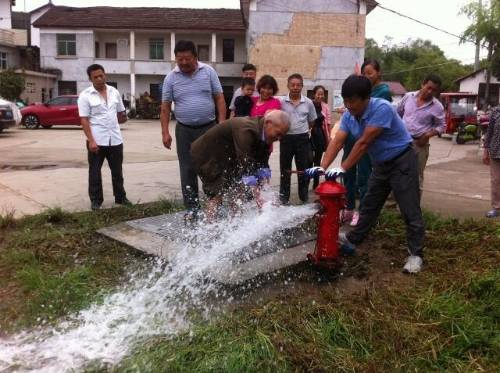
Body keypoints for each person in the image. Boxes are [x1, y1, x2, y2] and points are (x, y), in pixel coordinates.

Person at [305, 75, 425, 273]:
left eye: (352, 101)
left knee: (409, 208)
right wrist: (322, 167)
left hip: (402, 160)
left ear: (366, 98)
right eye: (345, 100)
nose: (348, 105)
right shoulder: (349, 115)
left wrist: (342, 168)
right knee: (369, 204)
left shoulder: (381, 109)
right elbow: (337, 141)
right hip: (381, 163)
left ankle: (416, 255)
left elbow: (363, 143)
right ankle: (354, 239)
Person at [160, 40, 226, 221]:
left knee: (212, 167)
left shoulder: (209, 72)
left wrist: (221, 123)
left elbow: (219, 98)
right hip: (184, 130)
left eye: (187, 59)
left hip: (209, 128)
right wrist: (165, 132)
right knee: (187, 169)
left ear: (195, 57)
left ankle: (215, 204)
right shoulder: (170, 78)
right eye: (179, 59)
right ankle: (192, 208)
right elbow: (165, 107)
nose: (183, 63)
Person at [191, 110, 290, 221]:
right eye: (279, 134)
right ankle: (208, 228)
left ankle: (235, 222)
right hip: (208, 155)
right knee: (217, 192)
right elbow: (245, 165)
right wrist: (259, 198)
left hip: (228, 155)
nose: (279, 139)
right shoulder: (246, 129)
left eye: (283, 136)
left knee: (238, 189)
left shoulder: (265, 135)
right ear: (268, 123)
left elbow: (263, 165)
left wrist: (267, 192)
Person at [342, 59, 393, 226]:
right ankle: (349, 208)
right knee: (347, 173)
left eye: (370, 73)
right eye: (364, 73)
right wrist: (324, 166)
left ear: (379, 73)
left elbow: (366, 137)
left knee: (364, 176)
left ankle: (362, 211)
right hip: (352, 138)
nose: (367, 76)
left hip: (366, 141)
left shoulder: (382, 95)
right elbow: (336, 141)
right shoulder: (351, 109)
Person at [78, 64, 130, 211]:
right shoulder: (85, 95)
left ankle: (121, 197)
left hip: (115, 139)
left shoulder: (114, 92)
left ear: (105, 75)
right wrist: (91, 141)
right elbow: (84, 120)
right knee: (95, 172)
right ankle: (96, 201)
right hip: (97, 141)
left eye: (102, 75)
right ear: (90, 79)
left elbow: (121, 113)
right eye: (96, 77)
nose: (100, 79)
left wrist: (123, 118)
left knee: (117, 171)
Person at [397, 74, 445, 197]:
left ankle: (414, 209)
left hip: (419, 145)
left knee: (416, 176)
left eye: (434, 90)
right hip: (401, 142)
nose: (430, 92)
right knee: (397, 172)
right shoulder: (408, 97)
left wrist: (427, 135)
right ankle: (391, 207)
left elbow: (442, 126)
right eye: (428, 87)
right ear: (422, 84)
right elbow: (398, 113)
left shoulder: (437, 106)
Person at [279, 73, 317, 204]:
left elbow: (311, 121)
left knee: (303, 169)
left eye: (298, 85)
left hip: (302, 139)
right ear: (288, 86)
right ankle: (284, 197)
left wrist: (303, 130)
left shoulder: (308, 103)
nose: (295, 87)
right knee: (285, 169)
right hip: (286, 139)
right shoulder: (281, 102)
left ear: (302, 86)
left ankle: (303, 196)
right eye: (292, 85)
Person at [310, 85, 331, 189]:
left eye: (322, 94)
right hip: (310, 134)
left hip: (320, 134)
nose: (320, 96)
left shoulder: (325, 106)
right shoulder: (309, 104)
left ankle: (316, 182)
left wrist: (328, 138)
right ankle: (308, 177)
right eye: (318, 94)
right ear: (314, 94)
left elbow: (328, 123)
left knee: (318, 159)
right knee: (308, 158)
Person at [483, 106, 500, 218]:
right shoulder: (496, 111)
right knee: (496, 181)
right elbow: (489, 132)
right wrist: (486, 150)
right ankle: (497, 208)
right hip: (496, 151)